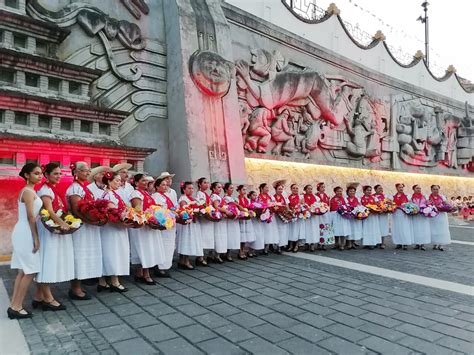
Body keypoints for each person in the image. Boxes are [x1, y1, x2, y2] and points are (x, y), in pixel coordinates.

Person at [34, 163, 73, 311]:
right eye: (55, 173)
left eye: (60, 173)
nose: (59, 176)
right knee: (47, 261)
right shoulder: (45, 190)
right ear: (47, 175)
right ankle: (48, 298)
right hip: (47, 229)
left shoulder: (51, 189)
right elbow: (49, 211)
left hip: (51, 227)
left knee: (48, 260)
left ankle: (38, 297)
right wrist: (64, 223)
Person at [8, 163, 42, 319]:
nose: (39, 176)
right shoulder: (28, 192)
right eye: (36, 173)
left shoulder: (30, 191)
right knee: (30, 270)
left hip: (23, 230)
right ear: (27, 175)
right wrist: (36, 238)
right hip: (25, 232)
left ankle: (14, 306)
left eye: (41, 173)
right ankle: (16, 306)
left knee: (23, 271)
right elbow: (30, 217)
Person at [66, 162, 102, 300]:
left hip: (88, 226)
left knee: (86, 255)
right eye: (85, 171)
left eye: (89, 170)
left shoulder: (84, 187)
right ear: (76, 172)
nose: (88, 173)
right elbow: (76, 210)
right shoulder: (75, 188)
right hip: (81, 227)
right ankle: (75, 288)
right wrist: (92, 221)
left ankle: (80, 285)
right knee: (79, 256)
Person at [129, 173, 165, 284]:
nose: (146, 182)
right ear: (136, 183)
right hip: (142, 226)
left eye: (146, 181)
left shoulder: (146, 193)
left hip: (149, 225)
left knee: (149, 248)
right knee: (144, 249)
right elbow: (138, 210)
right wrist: (149, 220)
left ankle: (140, 273)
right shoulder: (136, 193)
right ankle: (146, 274)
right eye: (143, 181)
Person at [97, 171, 130, 292]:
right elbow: (111, 212)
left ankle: (104, 281)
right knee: (113, 252)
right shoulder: (108, 195)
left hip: (117, 228)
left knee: (114, 251)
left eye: (119, 181)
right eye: (116, 180)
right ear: (109, 182)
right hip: (112, 229)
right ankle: (114, 281)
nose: (119, 183)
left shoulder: (114, 194)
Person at [152, 177, 177, 277]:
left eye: (166, 184)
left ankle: (166, 266)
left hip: (170, 223)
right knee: (163, 245)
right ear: (157, 186)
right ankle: (160, 267)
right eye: (162, 184)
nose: (165, 186)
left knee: (169, 245)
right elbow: (158, 210)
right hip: (163, 223)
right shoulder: (156, 196)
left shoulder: (165, 196)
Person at [176, 182, 203, 269]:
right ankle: (185, 261)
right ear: (184, 189)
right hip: (187, 223)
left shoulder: (192, 198)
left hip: (193, 222)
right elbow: (185, 210)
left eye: (192, 188)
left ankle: (182, 260)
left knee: (190, 239)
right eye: (189, 188)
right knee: (186, 239)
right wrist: (194, 211)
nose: (191, 190)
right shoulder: (183, 199)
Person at [195, 177, 213, 266]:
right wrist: (206, 212)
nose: (207, 184)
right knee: (202, 237)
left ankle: (203, 256)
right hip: (203, 218)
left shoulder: (205, 193)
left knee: (207, 237)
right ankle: (200, 257)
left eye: (207, 182)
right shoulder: (200, 194)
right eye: (204, 182)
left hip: (207, 217)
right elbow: (201, 205)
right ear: (200, 184)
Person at [210, 182, 229, 262]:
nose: (220, 189)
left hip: (221, 218)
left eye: (221, 187)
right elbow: (216, 206)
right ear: (214, 188)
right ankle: (216, 255)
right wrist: (227, 211)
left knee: (220, 235)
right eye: (218, 187)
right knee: (219, 235)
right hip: (219, 219)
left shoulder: (217, 196)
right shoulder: (214, 196)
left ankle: (215, 254)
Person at [258, 183, 279, 255]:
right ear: (261, 188)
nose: (267, 189)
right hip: (263, 216)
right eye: (266, 188)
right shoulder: (259, 197)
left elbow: (275, 204)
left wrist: (273, 208)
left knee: (270, 231)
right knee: (263, 231)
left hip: (270, 216)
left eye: (268, 188)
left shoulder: (270, 196)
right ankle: (262, 246)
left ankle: (267, 247)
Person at [429, 185, 451, 251]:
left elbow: (447, 204)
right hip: (433, 215)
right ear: (431, 190)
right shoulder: (429, 197)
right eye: (434, 189)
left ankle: (441, 244)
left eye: (437, 189)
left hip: (441, 215)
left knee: (442, 229)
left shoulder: (442, 197)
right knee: (434, 229)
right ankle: (435, 244)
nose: (436, 190)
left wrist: (449, 208)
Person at [392, 183, 413, 250]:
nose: (401, 189)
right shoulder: (393, 196)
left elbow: (410, 204)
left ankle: (405, 243)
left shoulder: (407, 196)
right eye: (399, 187)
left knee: (404, 228)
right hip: (396, 214)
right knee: (397, 228)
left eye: (402, 187)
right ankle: (399, 243)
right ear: (396, 188)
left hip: (403, 213)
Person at [223, 183, 242, 261]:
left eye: (233, 188)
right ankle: (227, 253)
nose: (232, 190)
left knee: (234, 235)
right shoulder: (226, 198)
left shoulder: (232, 198)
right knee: (230, 235)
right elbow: (237, 206)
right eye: (230, 188)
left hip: (234, 219)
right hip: (230, 220)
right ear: (226, 189)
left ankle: (228, 253)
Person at [237, 185, 256, 258]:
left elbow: (249, 207)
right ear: (239, 191)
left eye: (245, 190)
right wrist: (244, 211)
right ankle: (240, 251)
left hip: (246, 219)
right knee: (241, 235)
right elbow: (237, 207)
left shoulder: (247, 200)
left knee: (245, 235)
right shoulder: (236, 199)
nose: (244, 192)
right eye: (243, 190)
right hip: (240, 219)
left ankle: (243, 249)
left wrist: (251, 212)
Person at [410, 185, 431, 251]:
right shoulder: (411, 197)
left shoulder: (424, 196)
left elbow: (428, 204)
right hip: (415, 215)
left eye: (420, 188)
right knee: (416, 229)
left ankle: (422, 244)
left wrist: (428, 208)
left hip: (423, 216)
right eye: (417, 188)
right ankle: (417, 244)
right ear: (413, 189)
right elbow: (409, 205)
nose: (419, 189)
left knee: (423, 229)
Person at [330, 186, 351, 251]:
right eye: (338, 191)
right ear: (335, 192)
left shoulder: (344, 199)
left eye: (340, 191)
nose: (339, 192)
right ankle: (336, 243)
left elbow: (348, 207)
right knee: (336, 229)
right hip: (335, 216)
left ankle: (342, 244)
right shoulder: (332, 199)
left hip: (342, 216)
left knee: (342, 229)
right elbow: (330, 207)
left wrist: (345, 211)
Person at [273, 180, 289, 254]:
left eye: (281, 189)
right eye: (279, 189)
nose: (280, 190)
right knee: (277, 230)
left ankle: (282, 244)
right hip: (276, 216)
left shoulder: (284, 197)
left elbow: (287, 206)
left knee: (283, 230)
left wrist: (287, 212)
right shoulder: (273, 197)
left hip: (283, 215)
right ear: (275, 190)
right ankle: (277, 246)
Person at [315, 182, 333, 250]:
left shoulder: (327, 196)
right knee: (319, 228)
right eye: (322, 187)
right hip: (319, 215)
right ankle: (319, 243)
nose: (323, 188)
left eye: (324, 187)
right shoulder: (316, 196)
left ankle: (324, 243)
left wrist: (327, 209)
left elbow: (328, 205)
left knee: (325, 228)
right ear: (318, 188)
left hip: (326, 214)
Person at [288, 184, 304, 253]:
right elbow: (287, 206)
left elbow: (303, 206)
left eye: (296, 188)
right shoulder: (289, 197)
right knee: (291, 230)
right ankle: (291, 245)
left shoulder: (301, 197)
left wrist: (299, 210)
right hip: (291, 216)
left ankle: (296, 245)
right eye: (293, 188)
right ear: (291, 189)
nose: (295, 189)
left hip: (298, 216)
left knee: (297, 230)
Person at [248, 190, 264, 255]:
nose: (255, 196)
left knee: (257, 233)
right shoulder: (249, 202)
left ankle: (253, 249)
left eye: (256, 195)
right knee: (252, 233)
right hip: (251, 220)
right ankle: (249, 249)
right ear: (250, 196)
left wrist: (260, 214)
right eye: (253, 195)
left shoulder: (258, 203)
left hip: (257, 220)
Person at [346, 184, 362, 250]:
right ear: (347, 192)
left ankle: (353, 243)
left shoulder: (358, 199)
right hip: (348, 217)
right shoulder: (345, 199)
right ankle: (349, 243)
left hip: (355, 217)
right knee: (349, 229)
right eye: (350, 191)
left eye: (353, 191)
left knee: (355, 229)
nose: (352, 192)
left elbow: (360, 207)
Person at [302, 184, 318, 252]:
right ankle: (306, 243)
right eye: (308, 189)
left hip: (313, 216)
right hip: (306, 216)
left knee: (313, 229)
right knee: (306, 229)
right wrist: (306, 210)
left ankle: (312, 244)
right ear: (305, 190)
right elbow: (301, 205)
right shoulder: (302, 197)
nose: (310, 190)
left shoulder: (316, 197)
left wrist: (315, 210)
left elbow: (318, 206)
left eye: (311, 189)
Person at [373, 184, 389, 249]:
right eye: (379, 188)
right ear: (375, 189)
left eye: (381, 188)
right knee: (376, 228)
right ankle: (376, 242)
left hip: (383, 215)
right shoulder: (372, 197)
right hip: (375, 214)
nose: (381, 190)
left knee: (382, 228)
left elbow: (389, 204)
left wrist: (386, 209)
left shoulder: (385, 196)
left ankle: (382, 242)